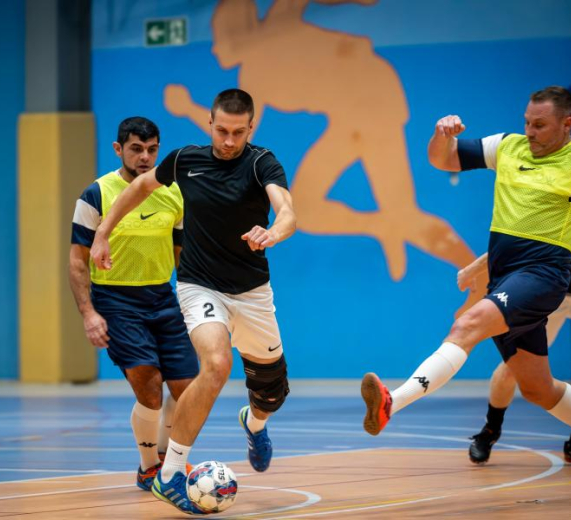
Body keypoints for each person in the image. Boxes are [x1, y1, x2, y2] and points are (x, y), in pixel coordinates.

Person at [359, 86, 571, 494]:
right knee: (537, 389)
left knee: (467, 324)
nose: (530, 131)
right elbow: (442, 159)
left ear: (567, 124)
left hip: (544, 276)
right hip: (506, 278)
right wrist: (442, 135)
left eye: (540, 125)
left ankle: (393, 402)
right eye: (527, 122)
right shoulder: (507, 146)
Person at [165, 0, 484, 317]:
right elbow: (234, 133)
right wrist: (188, 108)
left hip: (375, 98)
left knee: (402, 213)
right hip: (350, 119)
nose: (215, 47)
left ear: (243, 32)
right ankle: (382, 225)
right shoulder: (252, 78)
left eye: (221, 36)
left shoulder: (279, 21)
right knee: (309, 208)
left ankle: (480, 279)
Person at [91, 89, 296, 514]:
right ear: (209, 122)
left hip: (253, 293)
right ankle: (169, 474)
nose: (228, 140)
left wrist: (274, 232)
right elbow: (142, 187)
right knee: (217, 364)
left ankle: (254, 424)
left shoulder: (262, 163)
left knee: (271, 394)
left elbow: (287, 209)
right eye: (221, 130)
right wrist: (104, 229)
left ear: (250, 129)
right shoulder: (185, 160)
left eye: (238, 132)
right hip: (200, 287)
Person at [68, 117, 197, 491]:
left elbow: (181, 256)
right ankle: (148, 469)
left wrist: (197, 301)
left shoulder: (173, 193)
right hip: (116, 300)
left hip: (162, 297)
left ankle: (164, 458)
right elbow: (77, 261)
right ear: (118, 149)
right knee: (149, 385)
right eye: (136, 149)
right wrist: (89, 313)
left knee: (188, 388)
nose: (145, 157)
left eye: (152, 150)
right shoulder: (95, 195)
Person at [459, 189, 571, 465]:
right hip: (551, 295)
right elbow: (512, 245)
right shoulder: (560, 228)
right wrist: (472, 269)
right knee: (511, 370)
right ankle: (489, 431)